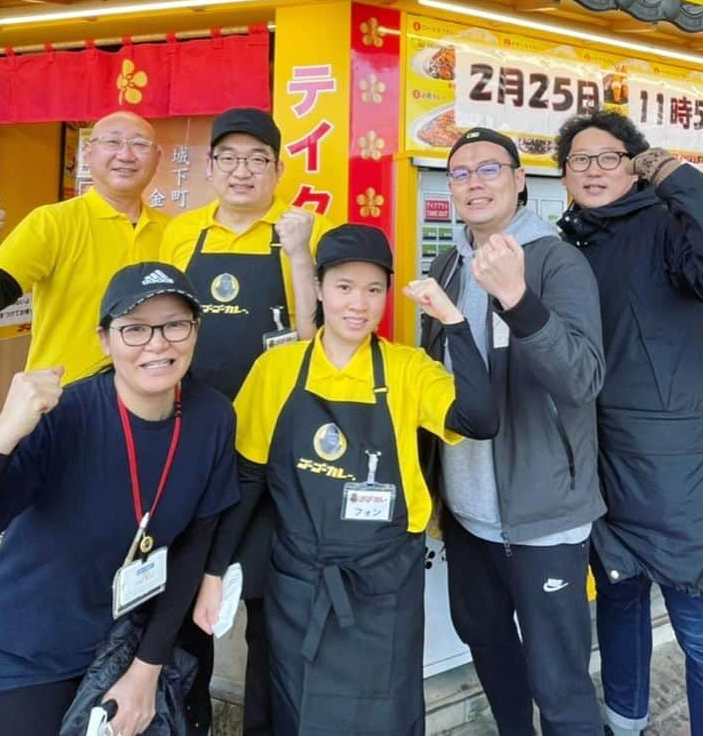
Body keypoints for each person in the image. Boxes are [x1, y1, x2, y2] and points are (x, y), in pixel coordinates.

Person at [0, 262, 238, 736]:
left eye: (175, 325)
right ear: (105, 339)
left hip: (126, 639)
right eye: (135, 329)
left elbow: (193, 547)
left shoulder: (213, 417)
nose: (158, 343)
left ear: (195, 331)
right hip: (29, 651)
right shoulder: (63, 420)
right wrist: (0, 440)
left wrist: (146, 670)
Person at [193, 224, 498, 735]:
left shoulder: (407, 369)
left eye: (374, 289)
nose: (359, 303)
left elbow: (481, 418)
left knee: (385, 714)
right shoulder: (278, 369)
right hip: (299, 582)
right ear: (318, 289)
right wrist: (213, 572)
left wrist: (454, 322)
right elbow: (246, 480)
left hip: (384, 584)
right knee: (294, 709)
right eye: (344, 287)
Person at [555, 110, 703, 736]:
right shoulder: (569, 241)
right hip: (602, 466)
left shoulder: (667, 227)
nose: (593, 169)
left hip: (679, 476)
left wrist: (676, 177)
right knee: (618, 604)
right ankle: (623, 721)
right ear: (564, 175)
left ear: (635, 167)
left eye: (609, 156)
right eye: (579, 159)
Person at [420, 128, 606, 735]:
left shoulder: (556, 260)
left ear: (520, 180)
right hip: (468, 513)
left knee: (559, 680)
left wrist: (519, 299)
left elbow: (581, 379)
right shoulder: (448, 264)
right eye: (460, 173)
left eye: (489, 169)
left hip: (545, 515)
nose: (474, 182)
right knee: (491, 651)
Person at [158, 107, 335, 733]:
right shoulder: (181, 233)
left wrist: (298, 253)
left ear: (278, 169)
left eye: (257, 159)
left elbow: (317, 338)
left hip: (274, 445)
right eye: (228, 158)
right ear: (208, 168)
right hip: (189, 441)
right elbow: (160, 333)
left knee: (270, 599)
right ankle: (186, 715)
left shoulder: (299, 231)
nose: (242, 170)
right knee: (180, 592)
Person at [0, 111, 168, 382]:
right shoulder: (51, 222)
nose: (126, 154)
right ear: (87, 152)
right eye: (112, 142)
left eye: (140, 144)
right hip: (61, 400)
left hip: (150, 399)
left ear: (157, 158)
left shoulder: (176, 231)